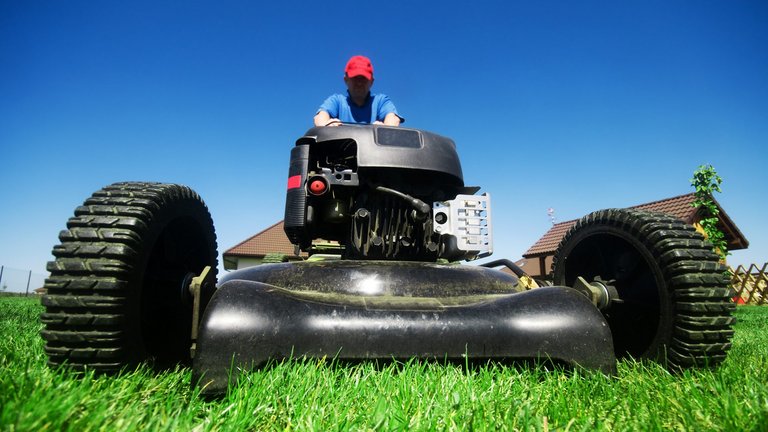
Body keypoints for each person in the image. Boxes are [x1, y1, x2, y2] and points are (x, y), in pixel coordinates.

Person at [314, 55, 403, 127]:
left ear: (371, 81)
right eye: (355, 78)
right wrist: (326, 126)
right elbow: (320, 117)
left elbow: (393, 118)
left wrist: (385, 130)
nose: (359, 83)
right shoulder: (337, 101)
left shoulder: (381, 101)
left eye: (363, 79)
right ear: (346, 80)